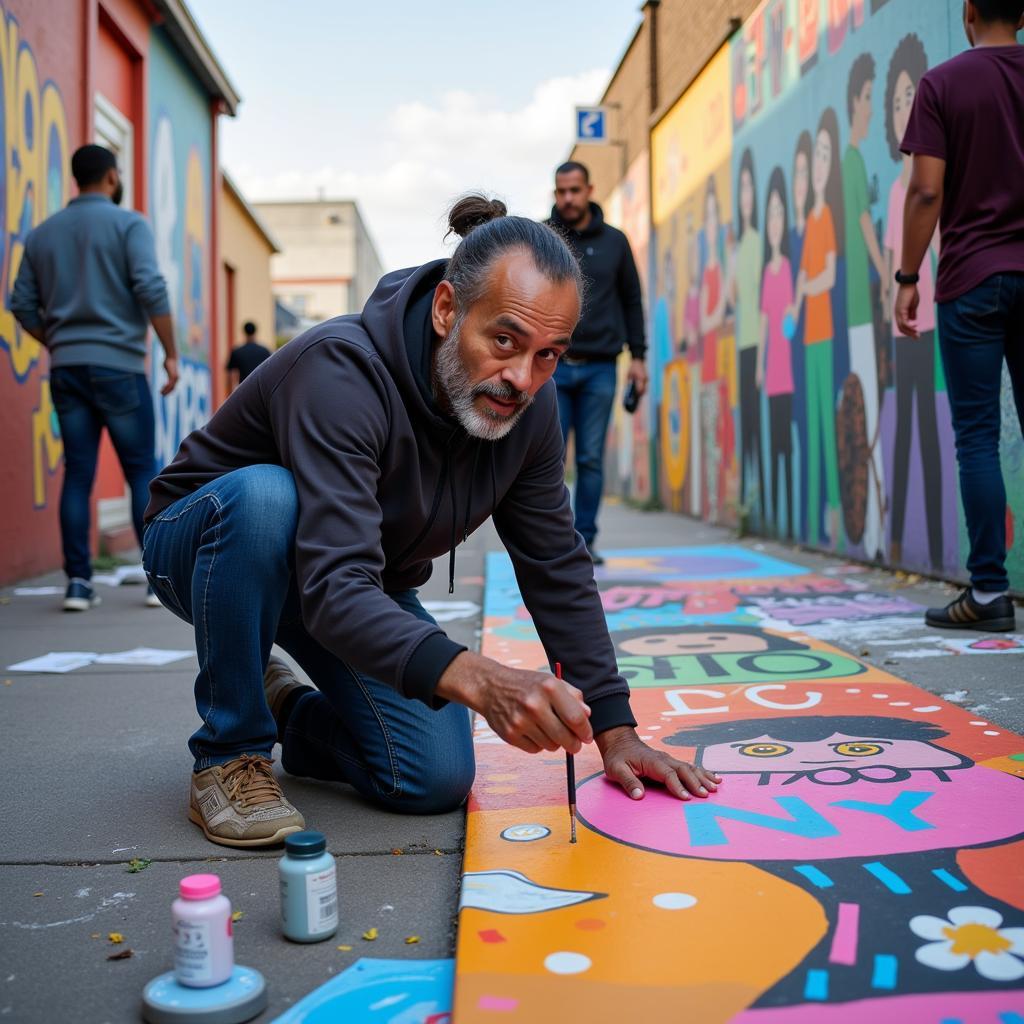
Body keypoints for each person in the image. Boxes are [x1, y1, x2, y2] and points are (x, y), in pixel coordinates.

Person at [143, 196, 719, 848]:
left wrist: (616, 731)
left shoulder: (530, 407)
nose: (521, 379)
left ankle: (290, 711)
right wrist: (481, 678)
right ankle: (229, 753)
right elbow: (335, 587)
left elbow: (555, 564)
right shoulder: (341, 370)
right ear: (447, 309)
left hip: (343, 575)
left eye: (548, 354)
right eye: (504, 341)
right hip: (205, 545)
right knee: (268, 499)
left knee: (431, 776)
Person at [896, 0, 1024, 632]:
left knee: (977, 436)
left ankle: (990, 594)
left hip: (972, 278)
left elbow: (925, 189)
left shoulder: (943, 83)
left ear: (969, 11)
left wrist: (906, 276)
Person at [10, 144, 178, 612]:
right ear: (110, 176)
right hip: (121, 366)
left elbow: (21, 304)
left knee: (78, 474)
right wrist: (171, 353)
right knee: (142, 470)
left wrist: (59, 343)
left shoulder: (43, 235)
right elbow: (149, 285)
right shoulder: (129, 224)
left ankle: (79, 584)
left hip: (67, 368)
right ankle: (155, 580)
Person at [546, 161, 647, 564]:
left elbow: (632, 300)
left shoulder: (615, 242)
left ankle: (584, 541)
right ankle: (553, 541)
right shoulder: (544, 238)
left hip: (602, 367)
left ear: (589, 190)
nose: (567, 198)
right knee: (548, 457)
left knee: (589, 457)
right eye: (560, 191)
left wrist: (639, 358)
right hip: (550, 366)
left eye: (574, 190)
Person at [883, 33, 944, 573]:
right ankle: (903, 542)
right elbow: (888, 267)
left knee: (932, 428)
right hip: (902, 324)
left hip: (935, 315)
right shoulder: (897, 194)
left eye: (911, 99)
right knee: (905, 428)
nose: (906, 107)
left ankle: (940, 547)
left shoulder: (931, 185)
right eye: (898, 100)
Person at [843, 54, 889, 561]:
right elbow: (861, 225)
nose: (873, 108)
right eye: (870, 97)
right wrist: (886, 274)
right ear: (856, 100)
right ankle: (874, 533)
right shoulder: (853, 160)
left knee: (870, 412)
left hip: (861, 302)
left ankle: (876, 530)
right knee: (867, 414)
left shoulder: (856, 161)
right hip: (859, 302)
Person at [795, 109, 844, 550]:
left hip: (825, 330)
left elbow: (826, 276)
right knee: (812, 428)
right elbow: (801, 284)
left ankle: (832, 521)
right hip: (808, 333)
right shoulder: (810, 220)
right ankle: (812, 522)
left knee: (826, 429)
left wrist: (804, 287)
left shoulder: (826, 216)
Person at [759, 167, 797, 540]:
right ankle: (775, 515)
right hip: (770, 368)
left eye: (778, 214)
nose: (774, 221)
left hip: (787, 366)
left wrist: (794, 312)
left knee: (786, 440)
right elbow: (765, 322)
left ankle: (788, 518)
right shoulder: (768, 273)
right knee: (774, 441)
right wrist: (759, 365)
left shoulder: (786, 268)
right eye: (769, 213)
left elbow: (787, 321)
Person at [734, 149, 765, 526]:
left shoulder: (756, 241)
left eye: (747, 188)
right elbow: (731, 297)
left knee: (758, 428)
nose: (743, 196)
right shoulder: (740, 244)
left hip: (759, 341)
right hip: (742, 341)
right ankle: (751, 499)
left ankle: (756, 502)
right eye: (739, 188)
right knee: (750, 431)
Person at [226, 321, 272, 390]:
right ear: (255, 332)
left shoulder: (237, 352)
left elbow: (230, 377)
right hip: (260, 392)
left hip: (244, 392)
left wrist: (230, 395)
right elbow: (269, 374)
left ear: (244, 332)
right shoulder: (265, 351)